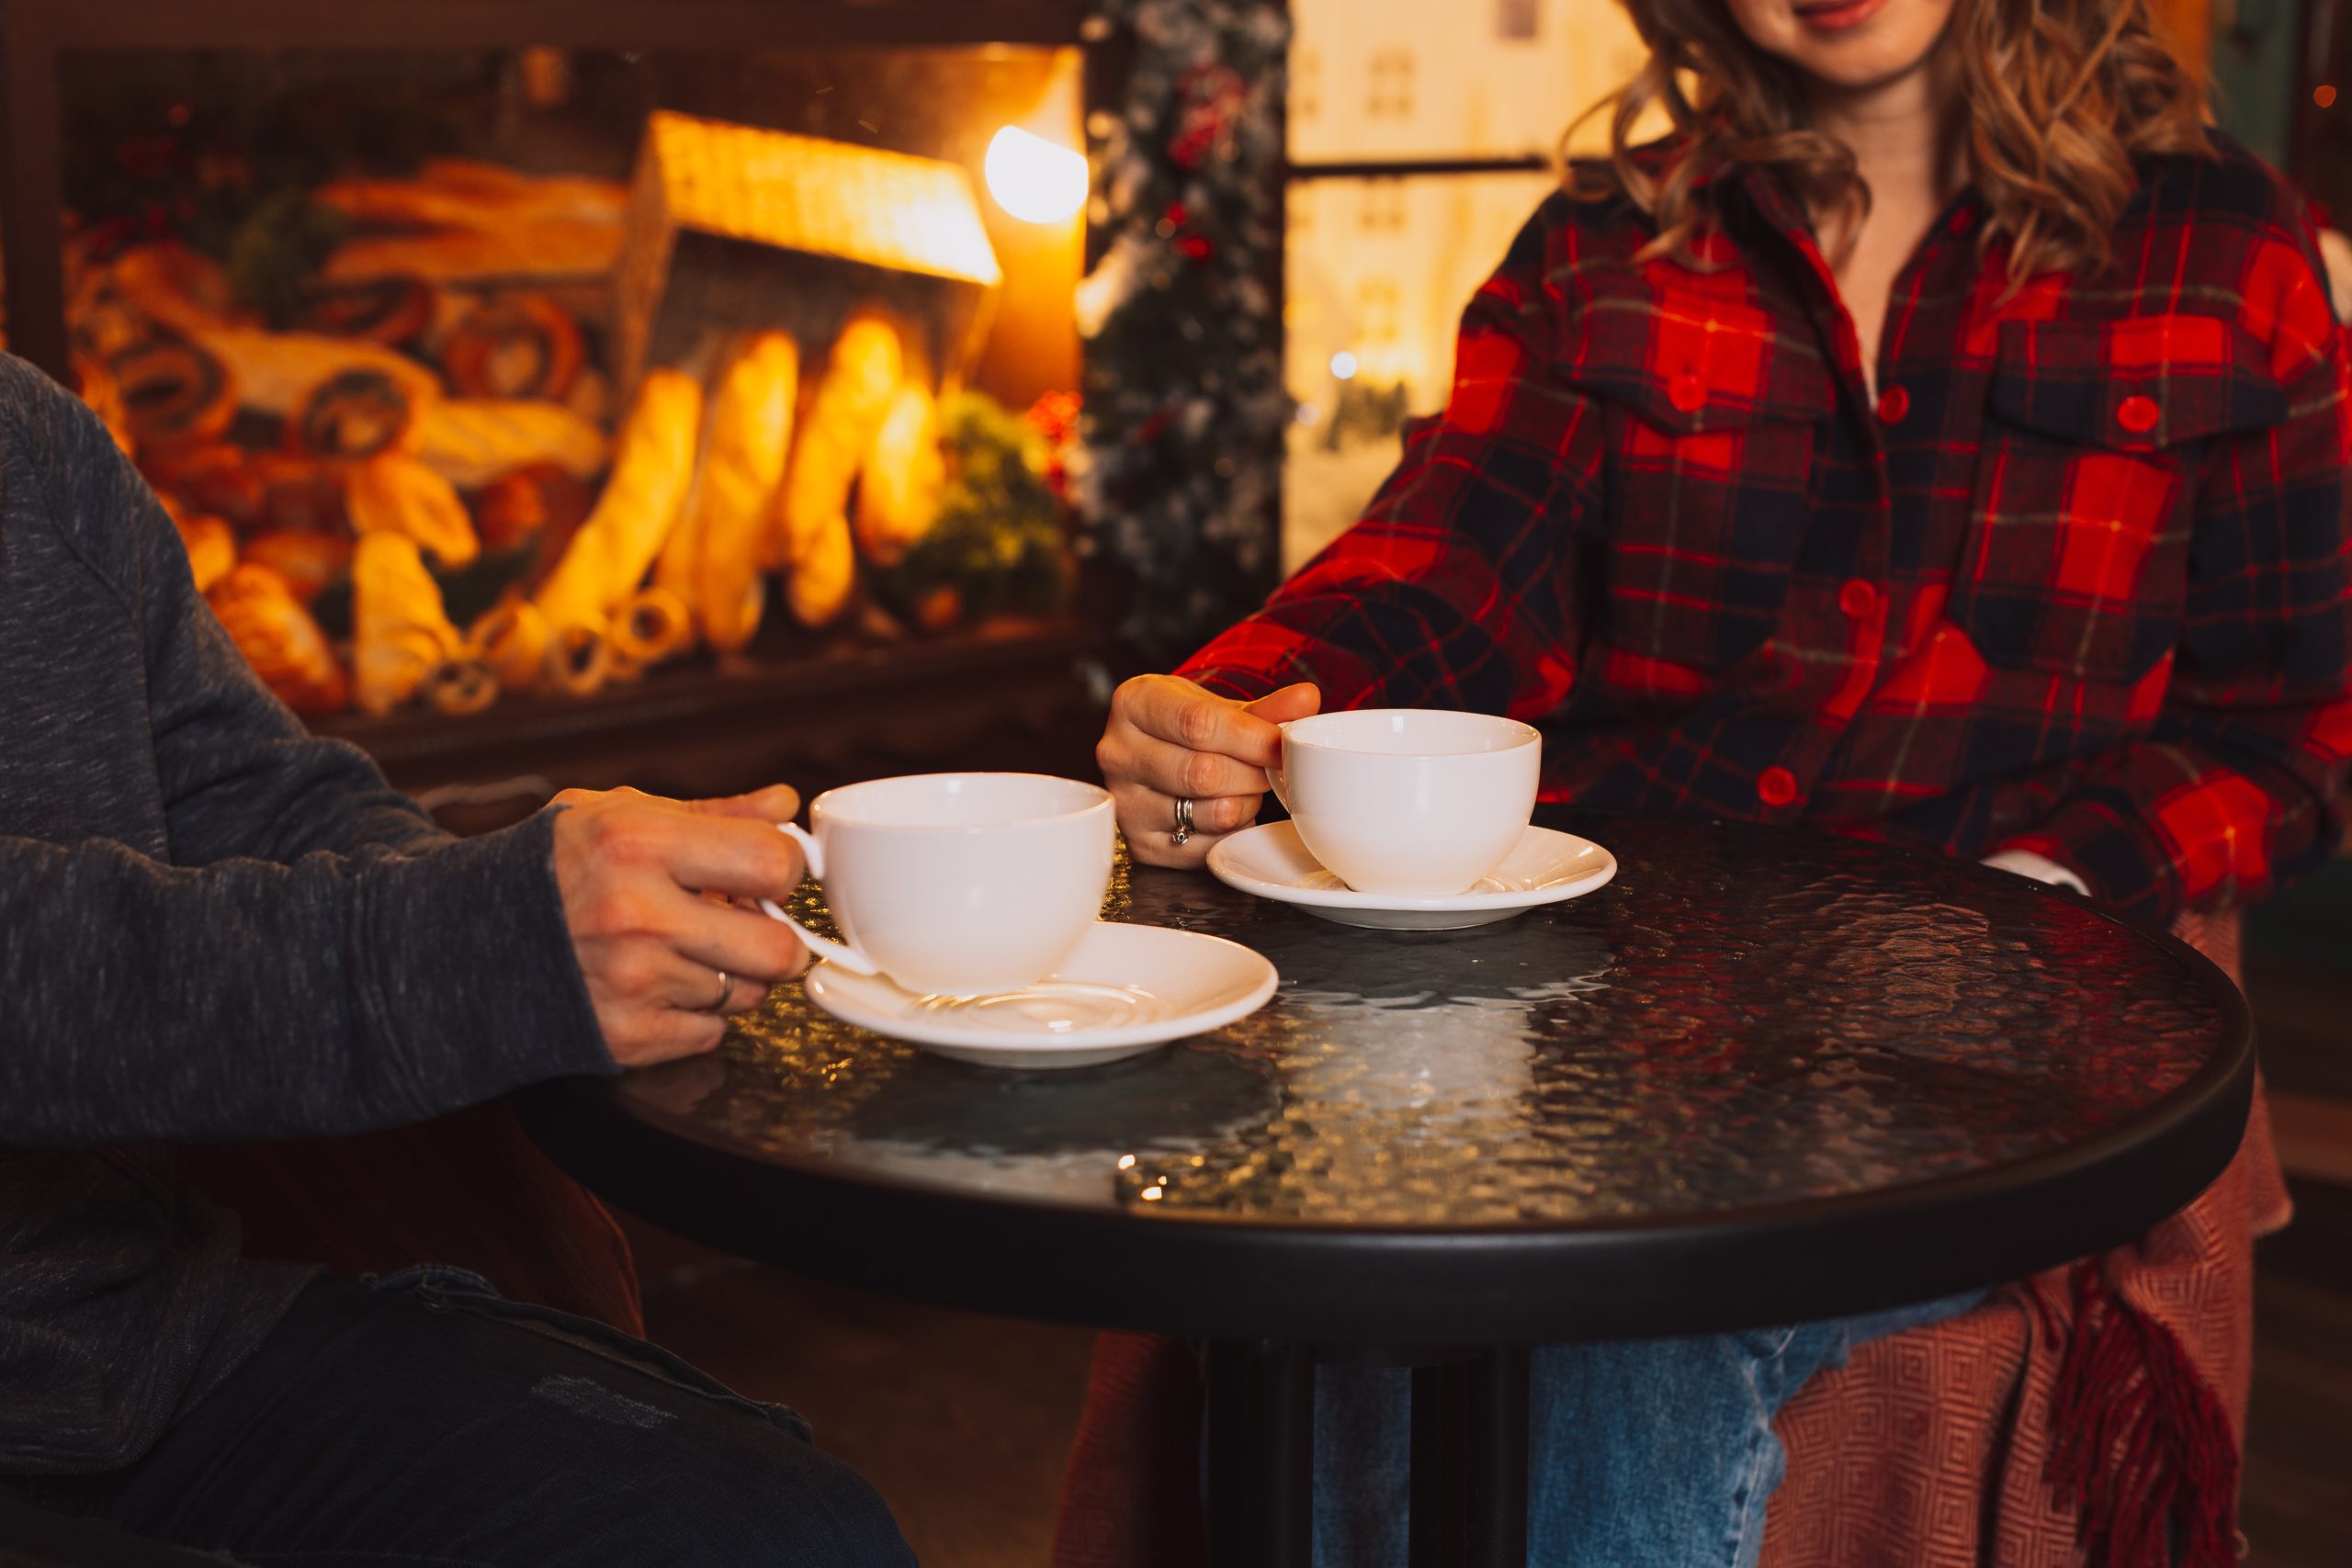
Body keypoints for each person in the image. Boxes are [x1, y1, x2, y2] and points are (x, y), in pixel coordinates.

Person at [1093, 0, 2352, 1562]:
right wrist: (1233, 709)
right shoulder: (1606, 246)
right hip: (1597, 1017)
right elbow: (1441, 565)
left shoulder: (2223, 249)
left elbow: (2298, 725)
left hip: (1965, 1049)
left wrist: (2040, 895)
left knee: (1637, 1313)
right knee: (1369, 1284)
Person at [0, 355, 911, 1565]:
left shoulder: (28, 438)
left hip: (136, 1352)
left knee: (788, 1537)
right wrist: (488, 951)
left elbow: (249, 795)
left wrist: (571, 894)